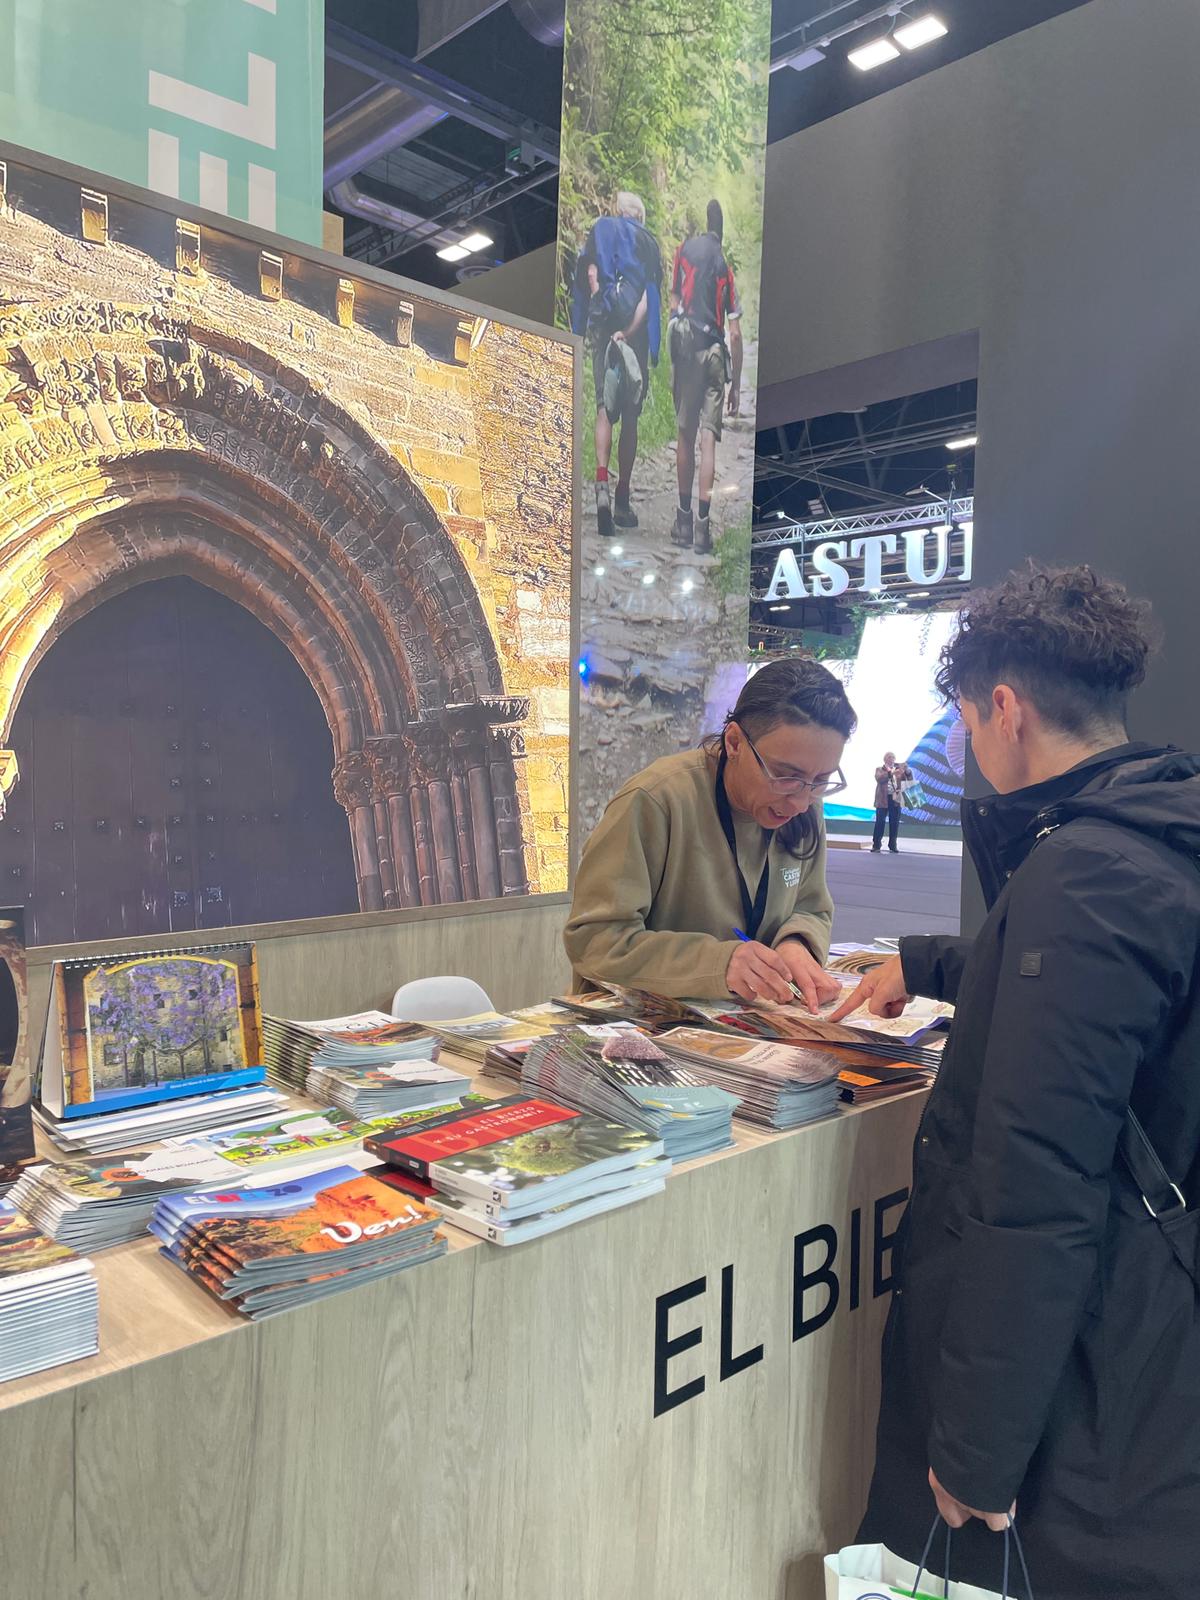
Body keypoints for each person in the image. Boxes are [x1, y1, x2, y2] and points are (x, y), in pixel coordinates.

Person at [831, 566, 1200, 1598]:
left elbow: (1038, 1188)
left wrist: (978, 1446)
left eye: (958, 715)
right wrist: (929, 960)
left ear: (1004, 707)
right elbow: (1089, 990)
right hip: (1147, 1351)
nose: (957, 743)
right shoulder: (1151, 839)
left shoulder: (1084, 876)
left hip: (1084, 1389)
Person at [564, 659, 854, 1006]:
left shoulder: (805, 805)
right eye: (785, 775)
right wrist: (720, 963)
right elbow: (596, 941)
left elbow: (811, 907)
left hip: (749, 1022)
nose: (801, 801)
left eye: (821, 781)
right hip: (639, 1024)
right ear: (734, 742)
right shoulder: (658, 799)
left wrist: (796, 944)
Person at [570, 192, 663, 538]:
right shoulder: (648, 242)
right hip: (631, 337)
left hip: (602, 330)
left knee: (604, 411)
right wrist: (647, 343)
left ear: (617, 211)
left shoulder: (600, 230)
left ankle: (601, 488)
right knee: (631, 416)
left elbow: (584, 279)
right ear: (639, 216)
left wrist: (579, 331)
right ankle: (623, 496)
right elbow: (648, 298)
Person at [669, 198, 743, 555]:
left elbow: (673, 301)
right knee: (707, 442)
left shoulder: (684, 250)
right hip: (714, 353)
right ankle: (702, 529)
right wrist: (737, 386)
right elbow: (737, 333)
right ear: (722, 232)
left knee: (685, 436)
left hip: (686, 352)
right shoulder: (725, 266)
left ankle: (682, 522)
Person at [872, 751, 913, 852]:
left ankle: (892, 845)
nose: (891, 759)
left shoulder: (899, 770)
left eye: (893, 757)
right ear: (885, 759)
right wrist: (891, 773)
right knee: (880, 822)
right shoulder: (880, 769)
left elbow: (909, 779)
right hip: (882, 799)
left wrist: (907, 771)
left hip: (895, 800)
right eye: (889, 757)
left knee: (894, 823)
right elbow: (879, 779)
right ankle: (876, 845)